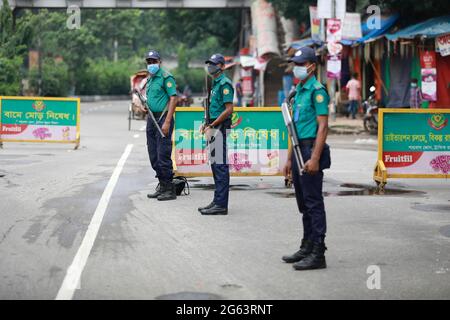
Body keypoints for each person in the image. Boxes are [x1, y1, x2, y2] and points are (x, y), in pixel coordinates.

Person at [282, 47, 331, 271]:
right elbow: (293, 128)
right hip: (298, 148)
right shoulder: (298, 91)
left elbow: (323, 127)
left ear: (312, 66)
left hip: (311, 149)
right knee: (303, 203)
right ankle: (307, 245)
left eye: (301, 64)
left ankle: (318, 252)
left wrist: (315, 158)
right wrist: (290, 159)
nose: (297, 68)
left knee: (313, 202)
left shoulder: (317, 91)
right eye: (296, 64)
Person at [198, 54, 234, 215]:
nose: (211, 66)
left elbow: (228, 110)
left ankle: (221, 204)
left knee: (220, 166)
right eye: (209, 63)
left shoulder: (225, 84)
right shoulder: (215, 84)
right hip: (213, 125)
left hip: (219, 126)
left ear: (222, 66)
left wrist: (212, 124)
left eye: (214, 64)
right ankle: (217, 200)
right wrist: (206, 123)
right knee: (215, 164)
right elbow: (213, 108)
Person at [143, 50, 178, 201]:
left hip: (163, 119)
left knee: (163, 154)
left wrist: (168, 121)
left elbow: (174, 99)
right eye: (149, 62)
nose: (151, 64)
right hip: (151, 119)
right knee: (153, 154)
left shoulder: (166, 77)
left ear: (160, 62)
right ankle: (161, 185)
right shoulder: (150, 79)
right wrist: (147, 107)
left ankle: (169, 189)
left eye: (153, 61)